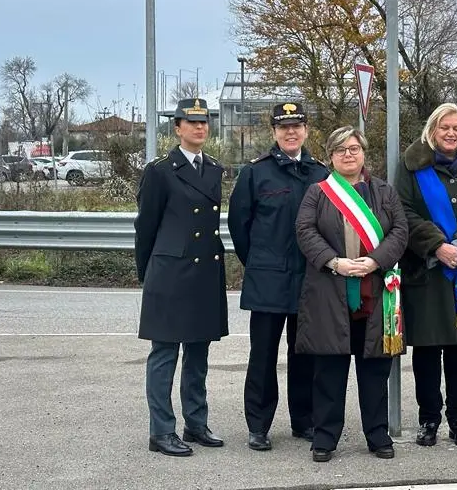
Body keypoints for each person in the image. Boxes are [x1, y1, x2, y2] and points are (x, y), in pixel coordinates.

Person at [294, 126, 409, 462]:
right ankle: (325, 438)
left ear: (363, 153)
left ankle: (377, 434)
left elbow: (400, 231)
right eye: (341, 149)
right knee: (328, 372)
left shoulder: (384, 192)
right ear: (330, 156)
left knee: (375, 371)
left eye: (355, 148)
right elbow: (305, 230)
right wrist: (334, 262)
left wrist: (375, 260)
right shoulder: (317, 193)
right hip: (330, 293)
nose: (348, 154)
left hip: (376, 296)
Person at [227, 102, 329, 451]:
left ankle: (304, 421)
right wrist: (258, 262)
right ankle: (258, 425)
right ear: (274, 131)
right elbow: (239, 227)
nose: (290, 132)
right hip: (268, 280)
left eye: (296, 126)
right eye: (283, 127)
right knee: (263, 356)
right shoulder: (256, 173)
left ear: (306, 130)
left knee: (305, 354)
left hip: (309, 281)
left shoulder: (320, 173)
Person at [395, 102, 457, 448]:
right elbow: (403, 212)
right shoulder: (411, 168)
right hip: (426, 273)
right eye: (444, 128)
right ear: (432, 130)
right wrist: (438, 246)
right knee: (427, 351)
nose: (451, 133)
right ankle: (428, 419)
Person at [135, 97, 228, 457]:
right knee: (164, 353)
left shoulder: (215, 168)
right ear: (177, 128)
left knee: (199, 352)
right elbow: (146, 227)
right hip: (170, 272)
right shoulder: (160, 170)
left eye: (204, 122)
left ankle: (196, 423)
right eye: (191, 123)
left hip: (204, 270)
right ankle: (161, 432)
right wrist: (149, 273)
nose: (199, 128)